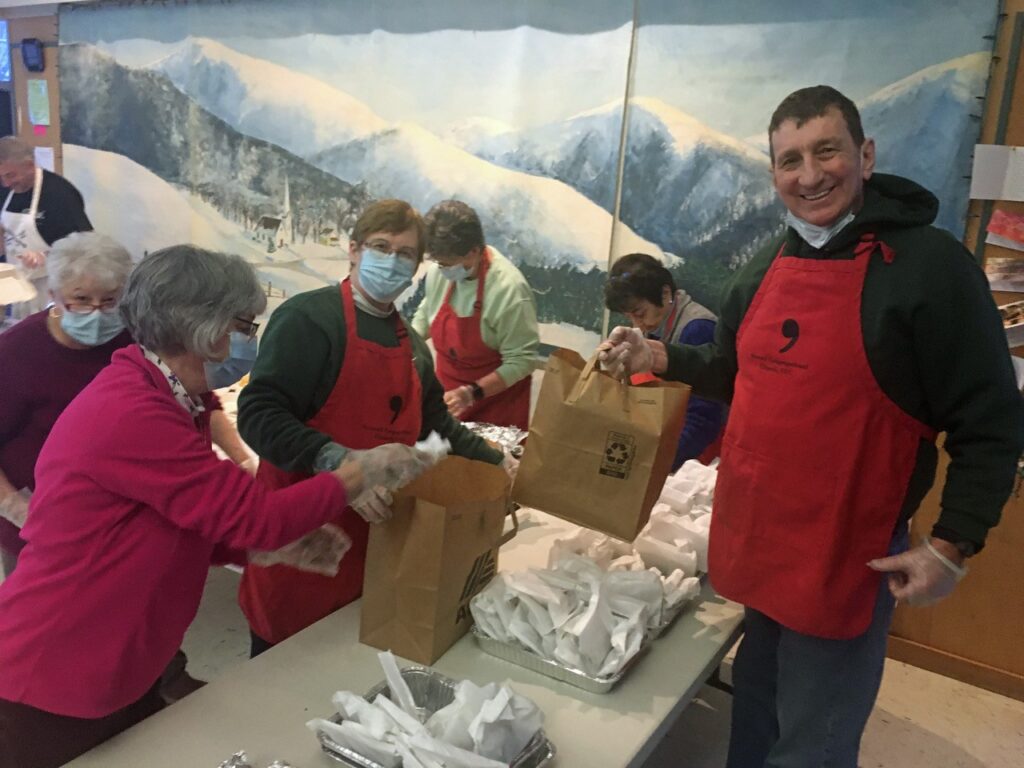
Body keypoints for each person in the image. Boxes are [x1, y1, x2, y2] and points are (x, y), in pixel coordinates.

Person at [598, 85, 1024, 767]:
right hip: (760, 540)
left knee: (813, 742)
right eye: (790, 159)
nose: (810, 173)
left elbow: (993, 418)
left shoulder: (931, 270)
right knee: (756, 716)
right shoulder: (766, 266)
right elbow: (734, 368)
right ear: (774, 176)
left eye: (827, 150)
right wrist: (660, 354)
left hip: (847, 556)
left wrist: (954, 543)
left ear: (866, 154)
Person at [0, 245, 431, 768]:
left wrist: (259, 551)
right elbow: (258, 517)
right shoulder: (132, 411)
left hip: (122, 659)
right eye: (242, 326)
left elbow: (174, 518)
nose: (245, 342)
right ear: (202, 327)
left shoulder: (174, 396)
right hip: (59, 666)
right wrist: (357, 473)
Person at [237, 199, 506, 656]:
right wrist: (342, 466)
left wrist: (500, 464)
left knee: (353, 668)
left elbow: (436, 430)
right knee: (280, 688)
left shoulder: (414, 348)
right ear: (354, 250)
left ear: (418, 267)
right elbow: (260, 415)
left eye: (406, 254)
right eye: (382, 246)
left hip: (375, 551)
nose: (392, 260)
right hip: (303, 542)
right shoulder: (307, 320)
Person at [0, 233, 257, 579]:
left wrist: (241, 458)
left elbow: (199, 402)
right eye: (80, 300)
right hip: (39, 517)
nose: (97, 312)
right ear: (54, 297)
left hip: (119, 514)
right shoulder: (15, 353)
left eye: (110, 301)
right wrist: (19, 511)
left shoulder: (133, 336)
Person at [411, 200, 538, 429]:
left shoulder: (509, 290)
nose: (442, 269)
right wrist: (405, 346)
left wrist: (472, 393)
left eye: (448, 263)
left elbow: (523, 360)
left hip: (497, 406)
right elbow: (428, 311)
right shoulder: (440, 273)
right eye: (438, 263)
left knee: (485, 463)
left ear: (474, 252)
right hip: (448, 396)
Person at [604, 253, 726, 468]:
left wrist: (657, 463)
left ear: (665, 293)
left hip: (696, 455)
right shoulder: (657, 324)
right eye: (629, 316)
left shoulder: (697, 328)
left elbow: (703, 420)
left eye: (640, 313)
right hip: (669, 439)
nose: (637, 323)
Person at [0, 137, 93, 320]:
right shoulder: (5, 189)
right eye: (1, 176)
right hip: (19, 285)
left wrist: (46, 256)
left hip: (53, 288)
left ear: (29, 165)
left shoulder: (60, 193)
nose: (6, 183)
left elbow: (86, 243)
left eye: (10, 175)